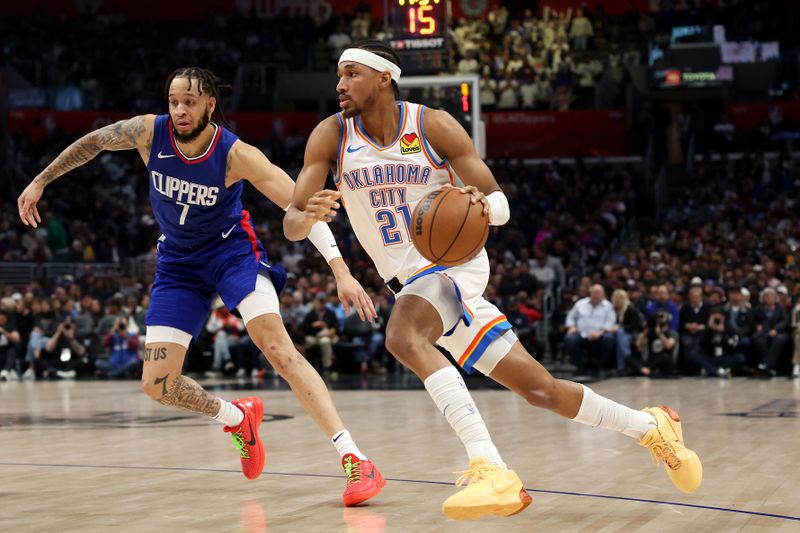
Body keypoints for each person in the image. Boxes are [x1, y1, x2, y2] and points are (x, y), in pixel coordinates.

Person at [284, 41, 702, 521]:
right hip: (412, 284)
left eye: (351, 73)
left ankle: (491, 469)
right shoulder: (330, 135)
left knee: (402, 337)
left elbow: (500, 203)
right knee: (540, 389)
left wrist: (480, 207)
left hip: (454, 264)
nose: (339, 84)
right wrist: (306, 214)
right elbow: (293, 222)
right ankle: (651, 427)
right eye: (339, 75)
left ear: (384, 77)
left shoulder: (431, 125)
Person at [17, 67, 385, 506]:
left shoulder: (234, 154)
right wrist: (41, 180)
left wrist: (340, 270)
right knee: (157, 384)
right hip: (178, 262)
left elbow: (299, 203)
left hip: (232, 254)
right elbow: (94, 141)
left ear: (210, 104)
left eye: (189, 101)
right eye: (173, 101)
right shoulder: (148, 134)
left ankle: (355, 459)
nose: (179, 109)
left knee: (279, 350)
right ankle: (236, 418)